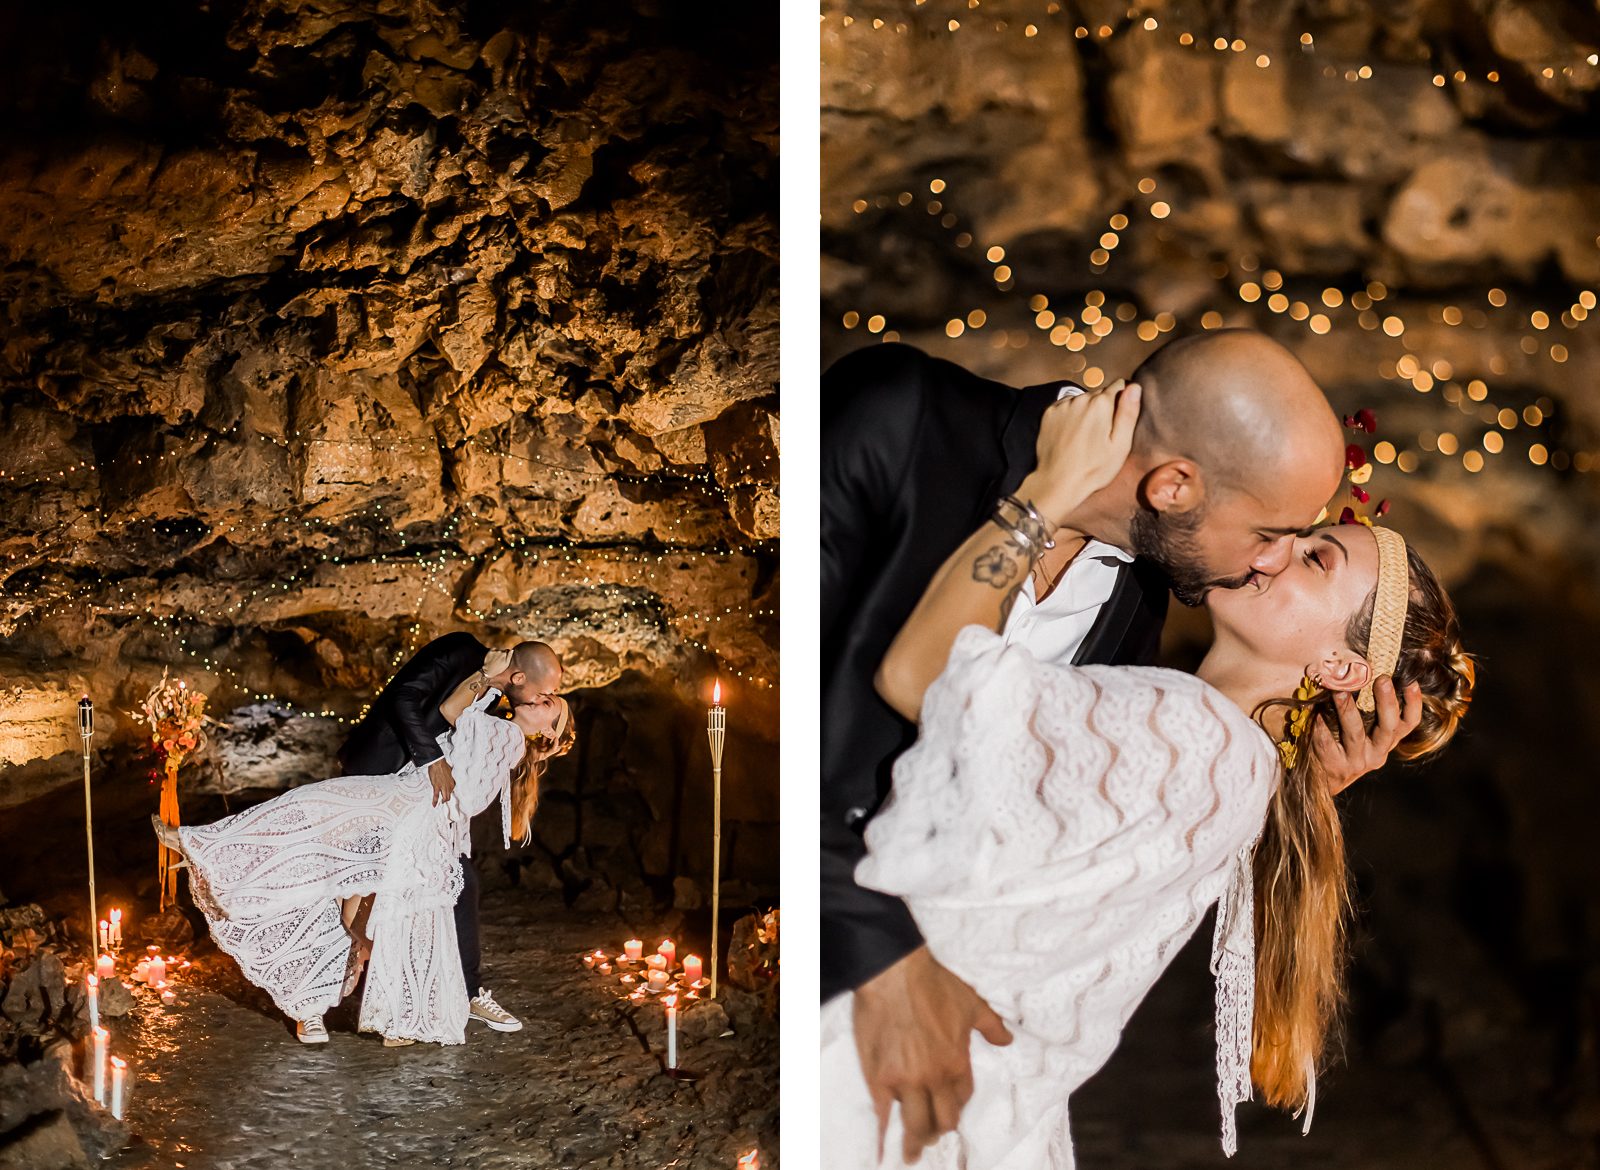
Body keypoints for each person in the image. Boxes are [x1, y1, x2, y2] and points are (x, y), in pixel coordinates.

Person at [819, 382, 1474, 1167]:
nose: (1273, 549)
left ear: (1337, 664)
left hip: (880, 1081)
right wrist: (1311, 780)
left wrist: (1042, 499)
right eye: (1291, 533)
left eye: (1312, 556)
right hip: (970, 1109)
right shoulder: (1234, 769)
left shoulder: (1191, 732)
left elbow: (922, 675)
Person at [154, 647, 576, 1046]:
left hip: (412, 807)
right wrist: (472, 694)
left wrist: (443, 775)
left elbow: (469, 792)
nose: (543, 701)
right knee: (316, 814)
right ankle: (204, 844)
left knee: (362, 880)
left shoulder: (509, 738)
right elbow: (441, 719)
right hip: (399, 787)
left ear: (547, 735)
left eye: (548, 706)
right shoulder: (492, 706)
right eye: (544, 696)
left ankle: (204, 847)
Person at [340, 631, 563, 1033]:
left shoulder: (497, 705)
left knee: (442, 885)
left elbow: (470, 742)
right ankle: (340, 979)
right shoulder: (461, 651)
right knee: (356, 882)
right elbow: (405, 699)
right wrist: (432, 760)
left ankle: (425, 996)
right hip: (380, 770)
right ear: (519, 679)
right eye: (545, 691)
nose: (543, 698)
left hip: (419, 802)